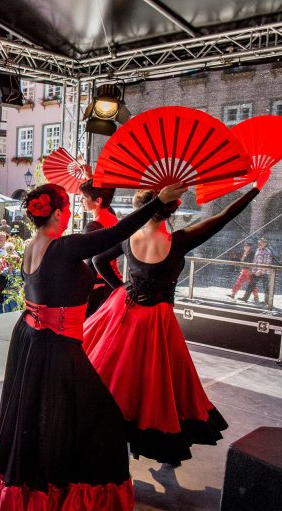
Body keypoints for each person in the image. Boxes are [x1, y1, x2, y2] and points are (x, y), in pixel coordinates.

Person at [0, 182, 186, 510]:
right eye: (67, 207)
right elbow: (117, 232)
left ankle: (43, 487)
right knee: (100, 417)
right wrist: (157, 202)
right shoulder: (63, 247)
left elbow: (56, 285)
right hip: (57, 345)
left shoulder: (33, 245)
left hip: (31, 339)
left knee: (42, 417)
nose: (70, 213)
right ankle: (72, 491)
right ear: (58, 213)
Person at [83, 183, 263, 467]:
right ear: (171, 210)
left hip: (125, 312)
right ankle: (156, 438)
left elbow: (98, 261)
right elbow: (224, 216)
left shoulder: (129, 237)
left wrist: (120, 288)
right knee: (157, 380)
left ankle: (111, 431)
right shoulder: (180, 240)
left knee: (120, 375)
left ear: (141, 209)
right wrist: (254, 189)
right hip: (157, 319)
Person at [79, 178, 120, 316]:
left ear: (98, 201)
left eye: (84, 197)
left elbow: (89, 263)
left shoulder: (92, 227)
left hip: (97, 287)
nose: (81, 200)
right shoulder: (113, 218)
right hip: (112, 282)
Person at [241, 237, 273, 304]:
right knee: (251, 284)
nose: (259, 244)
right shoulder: (258, 250)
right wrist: (252, 270)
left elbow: (267, 262)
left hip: (264, 272)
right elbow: (255, 261)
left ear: (265, 244)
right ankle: (245, 298)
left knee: (266, 287)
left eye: (260, 243)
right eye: (258, 243)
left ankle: (267, 301)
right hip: (256, 271)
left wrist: (261, 270)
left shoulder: (267, 251)